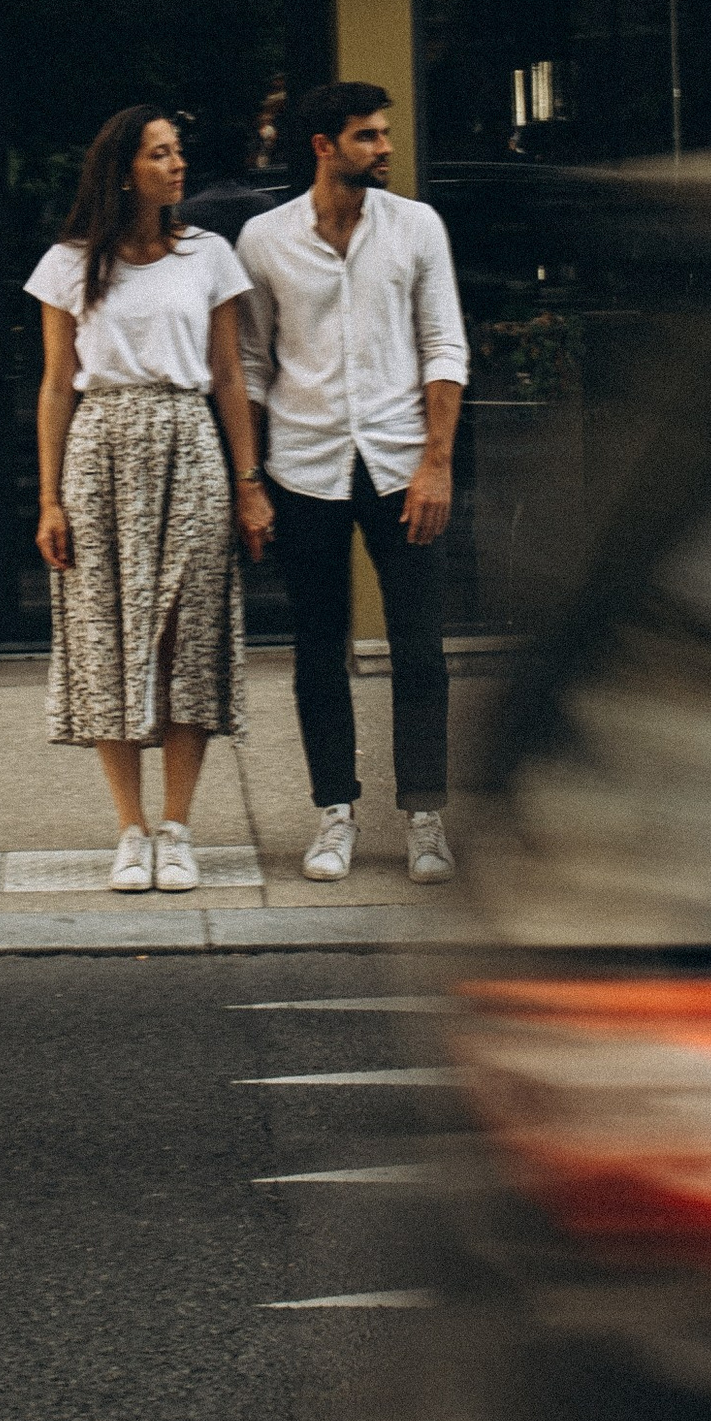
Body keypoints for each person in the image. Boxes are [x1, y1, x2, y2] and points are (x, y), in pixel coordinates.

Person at [31, 103, 275, 895]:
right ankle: (129, 830)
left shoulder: (208, 254)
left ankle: (178, 828)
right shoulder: (70, 263)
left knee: (186, 636)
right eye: (161, 154)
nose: (177, 166)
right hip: (99, 450)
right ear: (124, 169)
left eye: (178, 152)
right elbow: (55, 384)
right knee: (107, 636)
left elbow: (231, 375)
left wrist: (249, 483)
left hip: (187, 441)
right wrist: (48, 499)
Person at [238, 81, 468, 884]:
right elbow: (253, 366)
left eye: (385, 135)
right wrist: (251, 482)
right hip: (304, 469)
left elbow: (445, 345)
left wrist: (436, 463)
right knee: (316, 649)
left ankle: (425, 818)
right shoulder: (263, 242)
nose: (386, 149)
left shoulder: (416, 228)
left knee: (419, 650)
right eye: (368, 137)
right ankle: (333, 812)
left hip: (403, 466)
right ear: (323, 146)